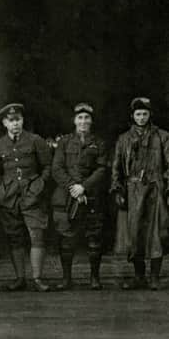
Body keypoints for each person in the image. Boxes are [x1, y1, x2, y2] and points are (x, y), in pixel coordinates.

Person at [111, 97, 169, 290]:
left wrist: (166, 185)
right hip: (133, 190)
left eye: (145, 113)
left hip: (155, 189)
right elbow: (116, 167)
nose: (142, 117)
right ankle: (139, 276)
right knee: (135, 235)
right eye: (138, 114)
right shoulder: (124, 139)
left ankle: (154, 277)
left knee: (156, 234)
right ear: (132, 116)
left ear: (150, 114)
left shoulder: (162, 136)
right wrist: (117, 188)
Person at [0, 103, 52, 292]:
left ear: (23, 120)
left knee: (37, 235)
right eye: (11, 121)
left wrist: (39, 185)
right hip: (10, 198)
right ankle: (20, 278)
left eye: (18, 119)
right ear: (4, 123)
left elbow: (48, 167)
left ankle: (37, 278)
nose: (15, 124)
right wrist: (2, 190)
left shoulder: (36, 140)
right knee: (15, 238)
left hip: (33, 195)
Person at [52, 103, 107, 290]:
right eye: (80, 118)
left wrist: (84, 187)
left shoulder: (99, 143)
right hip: (68, 196)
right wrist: (73, 187)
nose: (83, 121)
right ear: (74, 121)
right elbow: (57, 168)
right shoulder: (64, 142)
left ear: (91, 121)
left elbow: (101, 169)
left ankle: (94, 278)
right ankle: (67, 279)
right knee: (66, 238)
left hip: (91, 196)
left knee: (94, 238)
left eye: (87, 118)